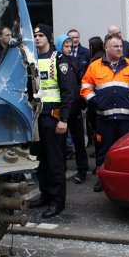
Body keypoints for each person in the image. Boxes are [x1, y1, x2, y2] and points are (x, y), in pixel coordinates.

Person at [81, 33, 129, 192]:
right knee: (103, 151)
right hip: (104, 119)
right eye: (115, 46)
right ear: (106, 48)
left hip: (125, 119)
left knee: (124, 152)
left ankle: (123, 182)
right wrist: (95, 102)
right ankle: (101, 180)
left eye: (121, 46)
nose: (119, 49)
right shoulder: (94, 66)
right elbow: (85, 88)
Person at [30, 24, 77, 218]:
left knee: (55, 162)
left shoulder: (58, 59)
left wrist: (64, 119)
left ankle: (58, 202)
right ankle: (45, 195)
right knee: (40, 160)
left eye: (40, 35)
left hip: (53, 117)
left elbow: (68, 92)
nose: (37, 38)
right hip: (35, 118)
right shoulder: (30, 59)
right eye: (35, 35)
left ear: (48, 38)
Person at [55, 34, 90, 183]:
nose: (69, 49)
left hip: (74, 107)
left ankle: (82, 170)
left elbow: (80, 82)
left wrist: (81, 102)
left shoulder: (75, 61)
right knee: (59, 143)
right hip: (60, 108)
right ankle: (60, 170)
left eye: (71, 46)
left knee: (79, 141)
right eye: (66, 46)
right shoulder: (54, 61)